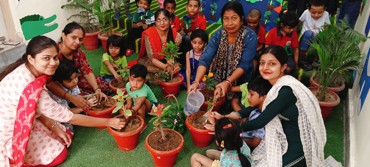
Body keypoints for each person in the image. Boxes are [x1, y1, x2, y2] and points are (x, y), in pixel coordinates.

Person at [0, 36, 125, 167]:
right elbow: (70, 117)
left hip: (23, 120)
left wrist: (54, 126)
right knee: (60, 155)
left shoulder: (29, 72)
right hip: (10, 133)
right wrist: (108, 122)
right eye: (46, 58)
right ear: (31, 59)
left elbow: (32, 108)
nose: (53, 62)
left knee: (64, 135)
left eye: (55, 58)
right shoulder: (30, 87)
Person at [211, 45, 326, 166]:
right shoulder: (270, 84)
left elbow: (260, 121)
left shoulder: (285, 91)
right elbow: (255, 107)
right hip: (282, 139)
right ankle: (229, 158)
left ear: (283, 67)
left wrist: (229, 129)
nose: (265, 67)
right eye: (262, 63)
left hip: (298, 147)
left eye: (272, 64)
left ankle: (228, 158)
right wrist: (224, 117)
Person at [188, 1, 257, 113]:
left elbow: (244, 64)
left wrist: (228, 82)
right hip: (218, 80)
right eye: (226, 18)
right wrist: (196, 81)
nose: (229, 23)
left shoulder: (250, 36)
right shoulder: (218, 35)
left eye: (234, 18)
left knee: (234, 107)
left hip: (240, 81)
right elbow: (205, 59)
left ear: (241, 18)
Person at [47, 22, 108, 110]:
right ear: (63, 35)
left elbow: (86, 70)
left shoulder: (78, 52)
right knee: (84, 100)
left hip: (74, 81)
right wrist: (71, 98)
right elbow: (49, 82)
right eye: (73, 38)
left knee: (101, 87)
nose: (77, 42)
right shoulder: (54, 55)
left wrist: (97, 89)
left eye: (80, 39)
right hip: (60, 86)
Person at [138, 9, 182, 74]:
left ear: (170, 21)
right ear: (155, 22)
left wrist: (171, 63)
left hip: (169, 60)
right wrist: (165, 67)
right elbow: (151, 57)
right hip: (153, 61)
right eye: (158, 20)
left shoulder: (176, 36)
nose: (162, 23)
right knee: (144, 67)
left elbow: (173, 55)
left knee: (176, 67)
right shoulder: (149, 34)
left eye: (165, 19)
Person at [240, 76, 271, 148]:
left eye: (251, 94)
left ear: (264, 97)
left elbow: (255, 143)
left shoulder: (261, 118)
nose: (247, 97)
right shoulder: (255, 111)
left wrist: (239, 139)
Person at [298, 0, 330, 69]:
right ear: (309, 9)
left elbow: (326, 28)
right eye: (313, 12)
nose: (316, 15)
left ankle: (317, 61)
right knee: (309, 33)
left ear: (324, 9)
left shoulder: (326, 14)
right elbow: (299, 23)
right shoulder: (306, 13)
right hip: (306, 38)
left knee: (322, 36)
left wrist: (325, 37)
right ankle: (302, 59)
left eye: (320, 12)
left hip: (317, 39)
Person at [179, 0, 207, 65]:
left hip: (195, 43)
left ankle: (189, 60)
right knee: (180, 37)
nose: (192, 8)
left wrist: (194, 34)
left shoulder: (202, 20)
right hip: (185, 41)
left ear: (199, 8)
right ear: (186, 7)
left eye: (195, 6)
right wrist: (182, 31)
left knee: (187, 38)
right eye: (190, 6)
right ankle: (180, 59)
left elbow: (203, 34)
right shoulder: (185, 17)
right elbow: (183, 28)